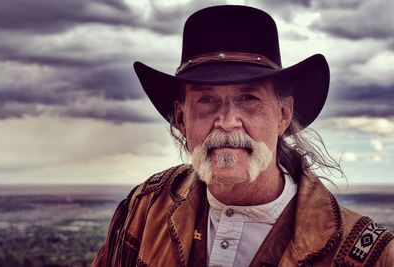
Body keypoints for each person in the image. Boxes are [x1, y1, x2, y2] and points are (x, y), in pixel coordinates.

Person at [91, 5, 394, 267]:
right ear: (182, 118)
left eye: (249, 98)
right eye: (206, 100)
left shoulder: (369, 256)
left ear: (284, 115)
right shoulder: (143, 210)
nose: (226, 122)